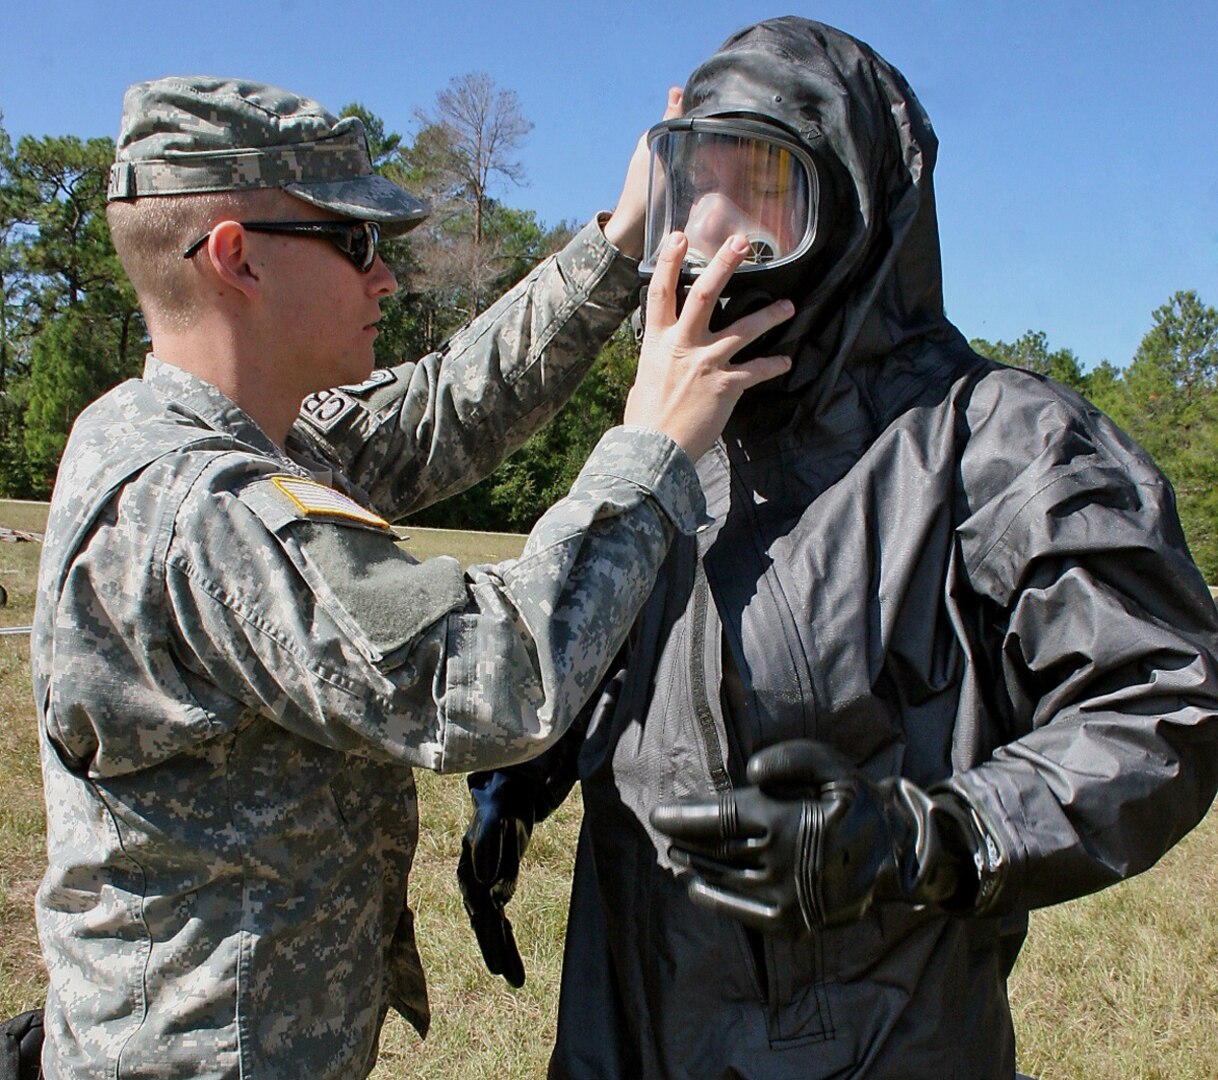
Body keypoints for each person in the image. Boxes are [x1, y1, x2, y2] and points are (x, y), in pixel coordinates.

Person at [456, 17, 1218, 1079]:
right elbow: (639, 651)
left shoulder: (994, 440)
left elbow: (1164, 702)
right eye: (692, 191)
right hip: (622, 1013)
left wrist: (932, 836)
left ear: (855, 212)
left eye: (764, 190)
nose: (717, 237)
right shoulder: (678, 432)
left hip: (875, 1038)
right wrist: (529, 774)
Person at [29, 74, 795, 1080]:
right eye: (355, 244)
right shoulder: (197, 509)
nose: (384, 277)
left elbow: (445, 406)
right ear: (236, 257)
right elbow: (495, 678)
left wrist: (622, 239)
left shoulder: (208, 427)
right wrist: (650, 445)